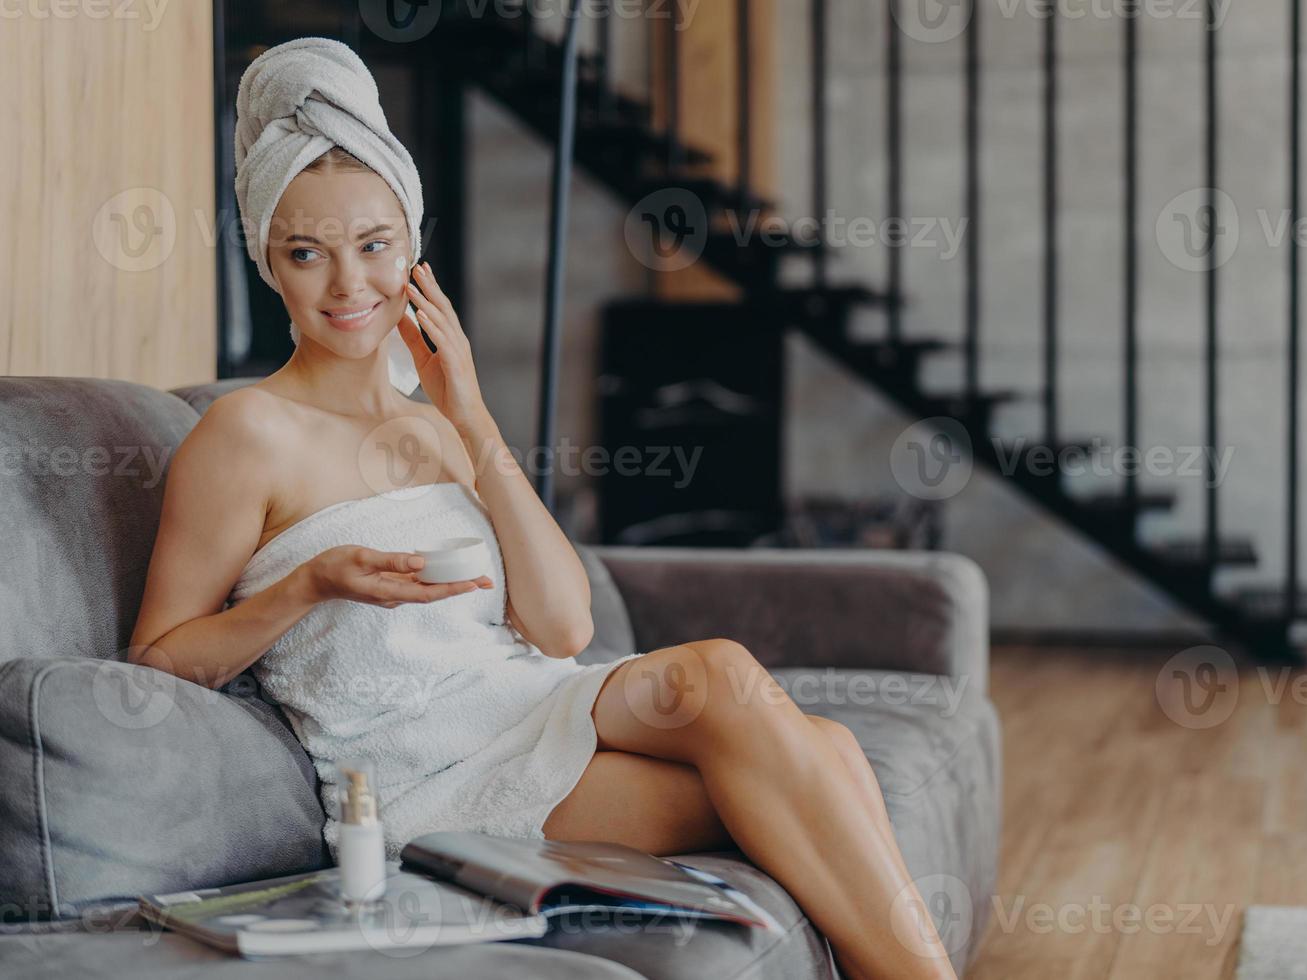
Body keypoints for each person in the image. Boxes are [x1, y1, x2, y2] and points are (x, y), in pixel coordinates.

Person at [127, 37, 957, 979]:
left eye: (375, 245)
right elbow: (157, 658)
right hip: (425, 779)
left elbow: (563, 627)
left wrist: (472, 414)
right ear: (268, 263)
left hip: (529, 702)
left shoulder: (439, 425)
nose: (349, 284)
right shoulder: (246, 433)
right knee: (813, 755)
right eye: (307, 253)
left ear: (413, 249)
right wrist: (307, 585)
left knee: (760, 703)